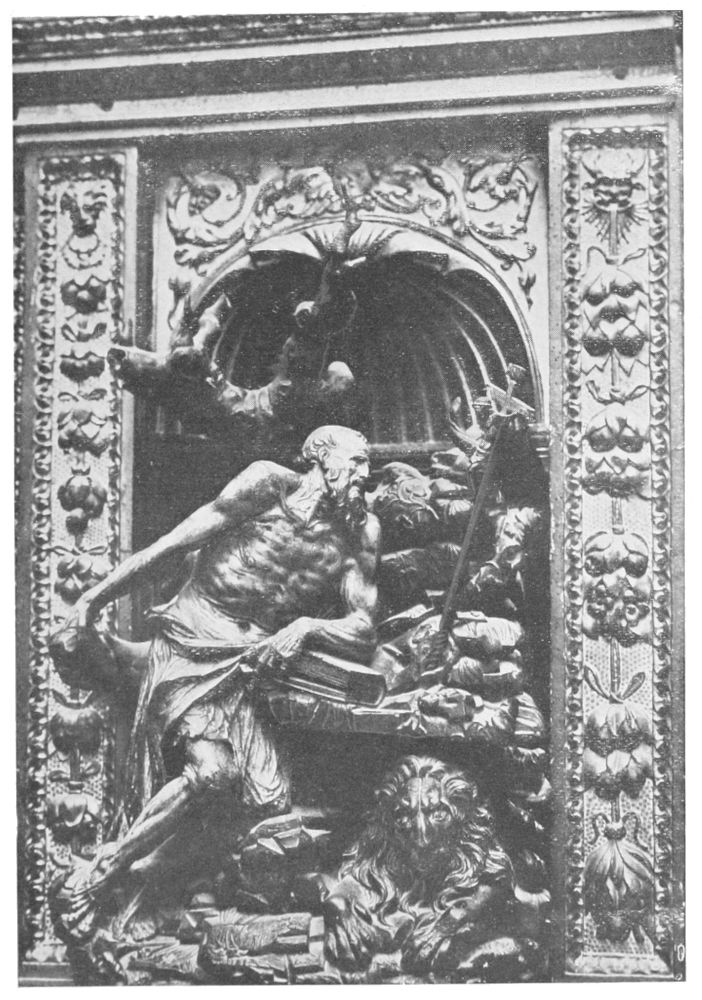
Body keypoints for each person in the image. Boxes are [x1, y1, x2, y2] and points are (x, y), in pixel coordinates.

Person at [62, 425, 379, 898]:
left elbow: (364, 627)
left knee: (267, 804)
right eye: (356, 461)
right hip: (194, 639)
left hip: (253, 667)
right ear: (320, 457)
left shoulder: (361, 533)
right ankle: (110, 867)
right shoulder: (268, 485)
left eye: (367, 464)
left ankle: (153, 877)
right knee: (214, 773)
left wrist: (306, 628)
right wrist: (95, 597)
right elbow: (175, 542)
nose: (365, 473)